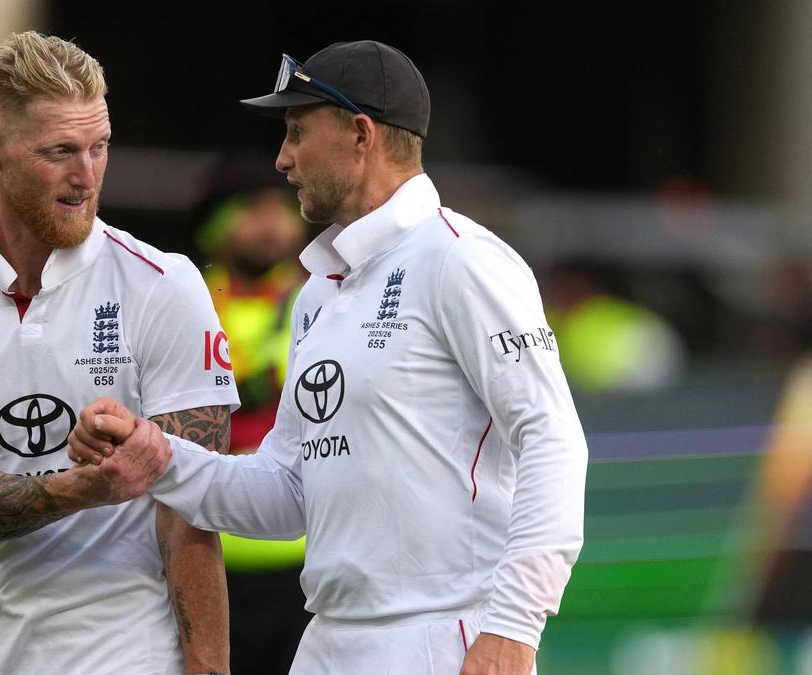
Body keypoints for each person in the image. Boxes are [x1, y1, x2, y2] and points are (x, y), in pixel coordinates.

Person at [70, 40, 588, 675]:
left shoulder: (462, 259)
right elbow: (288, 490)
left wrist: (514, 625)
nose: (282, 159)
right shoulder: (318, 291)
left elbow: (552, 440)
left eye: (297, 132)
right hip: (328, 640)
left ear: (360, 135)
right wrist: (156, 456)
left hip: (444, 637)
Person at [0, 31, 237, 675]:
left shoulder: (165, 285)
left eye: (100, 147)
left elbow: (192, 515)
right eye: (60, 151)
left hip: (135, 656)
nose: (87, 176)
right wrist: (86, 487)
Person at [195, 161, 313, 673]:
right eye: (252, 211)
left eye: (281, 210)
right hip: (205, 555)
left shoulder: (324, 299)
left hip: (307, 558)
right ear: (215, 224)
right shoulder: (185, 302)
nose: (271, 225)